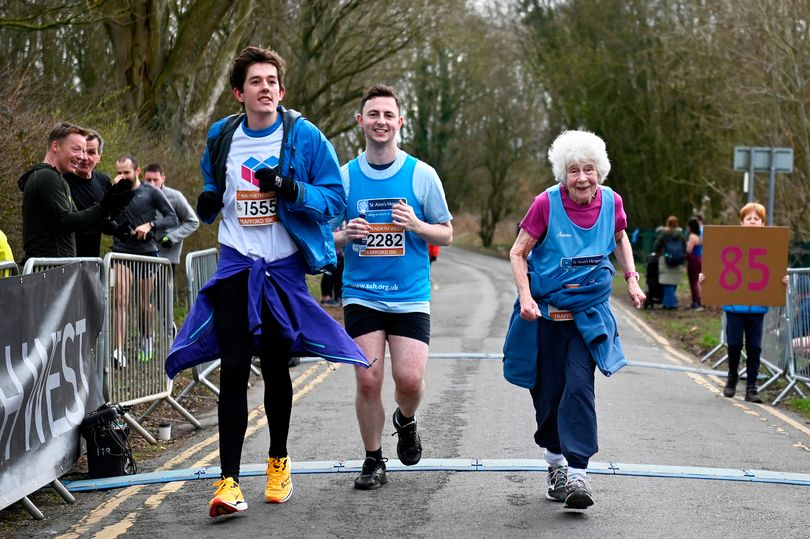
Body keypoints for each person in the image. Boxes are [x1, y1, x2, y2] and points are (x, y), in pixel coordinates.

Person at [163, 46, 368, 518]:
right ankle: (229, 482)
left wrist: (292, 189)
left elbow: (335, 198)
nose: (266, 88)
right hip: (237, 266)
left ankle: (278, 461)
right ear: (239, 93)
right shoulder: (222, 136)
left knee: (275, 367)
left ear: (282, 89)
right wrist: (211, 197)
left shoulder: (304, 136)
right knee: (234, 367)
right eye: (256, 81)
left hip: (283, 269)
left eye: (272, 81)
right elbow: (217, 182)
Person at [504, 130, 645, 510]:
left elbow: (620, 237)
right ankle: (555, 462)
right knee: (548, 394)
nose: (581, 178)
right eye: (573, 171)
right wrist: (526, 297)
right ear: (562, 175)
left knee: (580, 386)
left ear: (599, 171)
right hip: (547, 314)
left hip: (587, 314)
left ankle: (579, 473)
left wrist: (631, 278)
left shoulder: (612, 201)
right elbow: (518, 252)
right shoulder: (545, 205)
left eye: (588, 170)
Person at [334, 84, 453, 491]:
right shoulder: (345, 177)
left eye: (388, 115)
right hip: (362, 293)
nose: (380, 121)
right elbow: (322, 235)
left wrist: (417, 227)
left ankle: (406, 420)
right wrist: (345, 234)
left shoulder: (422, 174)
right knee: (368, 380)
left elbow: (447, 232)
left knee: (411, 381)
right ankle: (372, 460)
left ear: (400, 122)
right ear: (360, 121)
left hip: (409, 295)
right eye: (373, 114)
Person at [700, 203, 788, 403]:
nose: (753, 221)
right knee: (734, 344)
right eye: (749, 218)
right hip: (734, 306)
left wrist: (783, 281)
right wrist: (706, 278)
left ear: (763, 223)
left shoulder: (770, 245)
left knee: (755, 347)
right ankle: (732, 378)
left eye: (757, 219)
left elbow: (775, 270)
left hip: (757, 307)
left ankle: (752, 387)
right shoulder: (729, 242)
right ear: (741, 222)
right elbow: (717, 266)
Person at [17, 122, 133, 263]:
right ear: (55, 146)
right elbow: (66, 221)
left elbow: (75, 219)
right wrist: (104, 206)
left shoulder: (54, 177)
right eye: (76, 149)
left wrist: (114, 226)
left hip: (59, 268)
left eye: (84, 151)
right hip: (48, 271)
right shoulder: (47, 176)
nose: (81, 157)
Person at [109, 155, 178, 366]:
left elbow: (172, 217)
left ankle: (147, 337)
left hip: (146, 253)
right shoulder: (113, 193)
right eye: (119, 173)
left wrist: (151, 225)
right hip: (122, 251)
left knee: (142, 304)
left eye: (126, 173)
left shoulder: (151, 192)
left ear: (137, 172)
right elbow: (105, 217)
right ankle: (117, 352)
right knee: (120, 300)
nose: (122, 177)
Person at [142, 163, 200, 277]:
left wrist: (171, 237)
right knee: (141, 293)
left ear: (163, 179)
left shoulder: (175, 197)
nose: (152, 184)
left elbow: (193, 221)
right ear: (143, 179)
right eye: (148, 180)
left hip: (166, 257)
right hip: (142, 254)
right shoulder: (138, 195)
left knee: (162, 294)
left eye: (155, 180)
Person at [63, 129, 113, 257]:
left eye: (91, 152)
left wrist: (117, 228)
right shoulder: (62, 180)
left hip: (92, 261)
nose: (84, 158)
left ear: (99, 157)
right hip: (65, 261)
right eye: (81, 151)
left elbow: (102, 220)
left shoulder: (104, 181)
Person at [652, 215, 686, 309]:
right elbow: (684, 247)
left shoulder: (664, 234)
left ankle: (670, 303)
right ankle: (668, 302)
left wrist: (660, 253)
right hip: (678, 259)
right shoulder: (680, 234)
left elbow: (656, 246)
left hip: (666, 258)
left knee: (667, 282)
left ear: (668, 223)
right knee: (674, 281)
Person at [685, 216, 703, 310]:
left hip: (693, 260)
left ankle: (695, 301)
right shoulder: (699, 236)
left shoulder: (692, 236)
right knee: (699, 281)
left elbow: (689, 250)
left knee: (693, 281)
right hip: (699, 259)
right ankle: (700, 300)